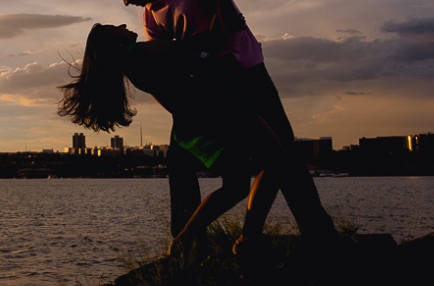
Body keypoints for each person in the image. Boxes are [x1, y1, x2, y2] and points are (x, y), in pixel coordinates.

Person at [105, 0, 338, 252]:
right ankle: (246, 238)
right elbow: (176, 63)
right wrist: (197, 48)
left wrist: (187, 49)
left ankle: (303, 233)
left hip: (247, 69)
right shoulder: (150, 18)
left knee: (281, 152)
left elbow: (225, 17)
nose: (126, 2)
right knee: (273, 158)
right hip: (216, 90)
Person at [58, 23, 278, 255]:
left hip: (194, 122)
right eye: (117, 28)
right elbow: (189, 51)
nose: (124, 25)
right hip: (212, 115)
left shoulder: (132, 67)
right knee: (270, 162)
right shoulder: (141, 52)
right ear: (115, 42)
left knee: (239, 183)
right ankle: (229, 239)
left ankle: (201, 239)